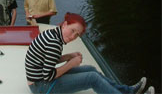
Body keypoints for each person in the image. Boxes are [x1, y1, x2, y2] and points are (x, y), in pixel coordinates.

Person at [25, 12, 155, 94]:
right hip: (41, 87)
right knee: (91, 78)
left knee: (91, 69)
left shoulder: (53, 33)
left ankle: (128, 91)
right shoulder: (54, 42)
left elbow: (47, 60)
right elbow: (48, 76)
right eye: (72, 30)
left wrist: (68, 57)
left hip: (39, 80)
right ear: (64, 24)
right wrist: (71, 63)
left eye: (77, 34)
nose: (73, 37)